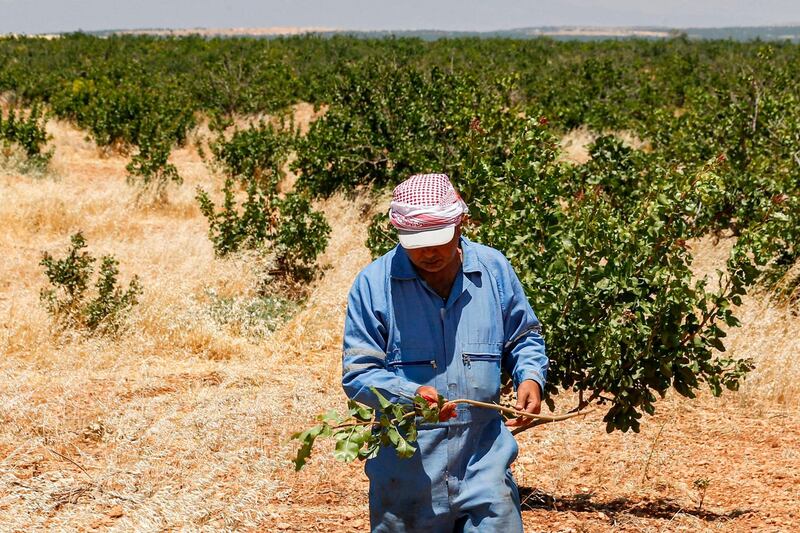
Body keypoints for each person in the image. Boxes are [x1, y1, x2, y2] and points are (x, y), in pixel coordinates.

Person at [342, 173, 548, 532]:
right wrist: (410, 395)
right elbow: (359, 374)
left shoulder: (493, 270)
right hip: (407, 479)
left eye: (439, 239)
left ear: (461, 222)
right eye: (416, 242)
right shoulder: (373, 286)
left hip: (484, 466)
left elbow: (524, 335)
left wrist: (530, 376)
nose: (429, 252)